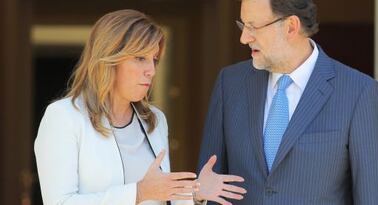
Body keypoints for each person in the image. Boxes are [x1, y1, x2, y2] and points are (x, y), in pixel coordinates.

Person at [34, 9, 246, 205]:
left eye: (154, 60)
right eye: (140, 58)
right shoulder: (63, 117)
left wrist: (195, 192)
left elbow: (157, 196)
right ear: (108, 59)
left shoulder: (154, 120)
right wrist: (138, 193)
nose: (151, 71)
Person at [196, 0, 378, 204]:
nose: (244, 38)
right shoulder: (229, 84)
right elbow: (209, 183)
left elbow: (374, 198)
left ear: (291, 27)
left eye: (253, 27)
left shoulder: (358, 92)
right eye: (243, 25)